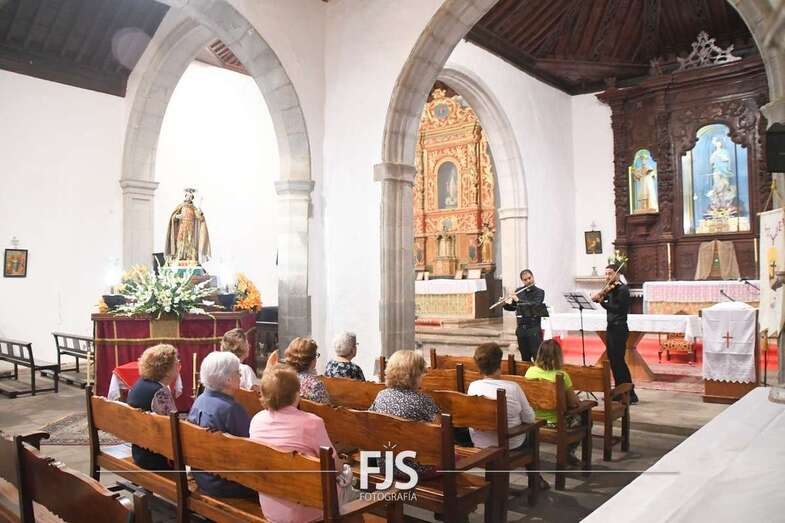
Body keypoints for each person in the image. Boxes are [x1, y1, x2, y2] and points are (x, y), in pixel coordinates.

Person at [250, 364, 350, 522]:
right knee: (348, 481)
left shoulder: (257, 420)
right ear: (296, 394)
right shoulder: (312, 423)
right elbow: (335, 469)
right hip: (310, 509)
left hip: (272, 508)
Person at [467, 342, 550, 489]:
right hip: (509, 443)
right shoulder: (512, 387)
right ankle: (535, 479)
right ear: (500, 363)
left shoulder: (473, 386)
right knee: (532, 432)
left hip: (480, 442)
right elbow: (529, 418)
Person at [187, 351, 256, 498]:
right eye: (238, 372)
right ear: (228, 380)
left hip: (203, 476)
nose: (240, 376)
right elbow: (250, 449)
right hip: (226, 483)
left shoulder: (200, 400)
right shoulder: (230, 409)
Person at [369, 350, 440, 478]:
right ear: (414, 375)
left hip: (385, 465)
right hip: (416, 468)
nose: (424, 375)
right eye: (422, 372)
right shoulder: (423, 400)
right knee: (454, 457)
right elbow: (440, 433)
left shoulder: (381, 395)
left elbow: (369, 421)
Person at [524, 339, 582, 465]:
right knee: (585, 419)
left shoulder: (530, 372)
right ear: (558, 356)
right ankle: (568, 452)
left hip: (534, 419)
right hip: (555, 422)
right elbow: (573, 403)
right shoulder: (562, 375)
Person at [127, 344, 180, 470]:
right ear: (166, 370)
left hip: (140, 452)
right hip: (158, 459)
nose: (178, 364)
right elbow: (173, 429)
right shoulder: (160, 392)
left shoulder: (139, 384)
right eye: (176, 362)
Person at [592, 264, 639, 404]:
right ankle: (619, 392)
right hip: (611, 328)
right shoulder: (611, 289)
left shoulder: (623, 289)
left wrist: (602, 302)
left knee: (619, 362)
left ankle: (631, 394)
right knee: (614, 362)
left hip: (619, 329)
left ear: (617, 274)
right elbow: (605, 299)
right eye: (606, 273)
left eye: (610, 273)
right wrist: (599, 296)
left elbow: (618, 309)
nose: (607, 276)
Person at [503, 269, 545, 362]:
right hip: (521, 330)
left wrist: (518, 300)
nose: (528, 281)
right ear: (522, 281)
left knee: (537, 357)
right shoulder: (519, 291)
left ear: (533, 277)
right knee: (525, 358)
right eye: (525, 280)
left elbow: (534, 306)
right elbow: (513, 307)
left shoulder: (540, 292)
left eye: (529, 278)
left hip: (533, 329)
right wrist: (505, 303)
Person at [283, 337, 331, 403]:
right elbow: (326, 407)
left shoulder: (283, 379)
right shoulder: (316, 385)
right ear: (311, 360)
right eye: (316, 355)